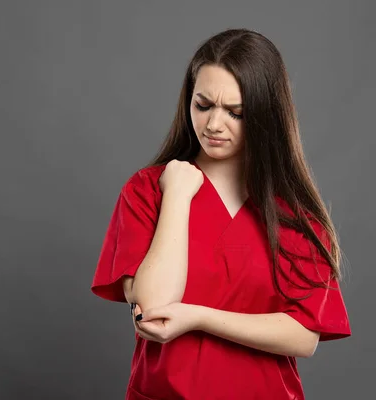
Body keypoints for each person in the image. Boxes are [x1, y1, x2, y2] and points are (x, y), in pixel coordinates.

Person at [90, 28, 351, 400]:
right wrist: (178, 194)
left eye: (235, 112)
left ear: (265, 116)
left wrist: (199, 318)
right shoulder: (147, 190)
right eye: (203, 104)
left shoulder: (291, 211)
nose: (214, 124)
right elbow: (153, 306)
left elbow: (304, 336)